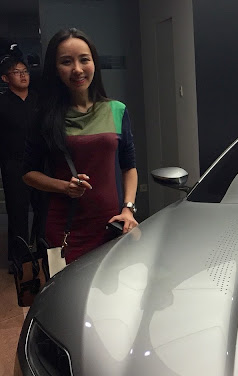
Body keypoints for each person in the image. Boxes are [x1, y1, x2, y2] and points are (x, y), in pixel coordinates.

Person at [23, 28, 138, 263]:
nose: (77, 69)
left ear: (94, 63)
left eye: (84, 59)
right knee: (64, 286)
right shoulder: (44, 117)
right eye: (66, 62)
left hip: (111, 224)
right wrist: (64, 186)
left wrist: (128, 209)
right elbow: (28, 173)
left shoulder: (117, 110)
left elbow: (129, 166)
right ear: (55, 69)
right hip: (64, 229)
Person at [0, 55, 37, 271]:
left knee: (44, 210)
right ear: (5, 78)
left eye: (25, 71)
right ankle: (19, 260)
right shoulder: (2, 104)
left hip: (41, 164)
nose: (23, 75)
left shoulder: (38, 101)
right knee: (17, 213)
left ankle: (42, 254)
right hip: (14, 164)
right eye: (17, 72)